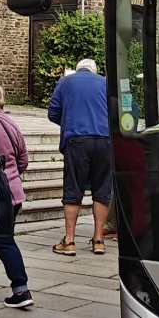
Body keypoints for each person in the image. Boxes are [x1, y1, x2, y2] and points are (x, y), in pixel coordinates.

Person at [48, 58, 112, 256]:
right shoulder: (105, 83)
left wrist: (70, 121)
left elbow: (53, 112)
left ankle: (69, 241)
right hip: (104, 141)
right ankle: (99, 239)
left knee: (73, 188)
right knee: (102, 190)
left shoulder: (65, 82)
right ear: (94, 70)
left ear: (77, 69)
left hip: (77, 140)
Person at [0, 83, 33, 309]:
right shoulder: (11, 123)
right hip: (14, 191)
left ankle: (21, 288)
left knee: (2, 241)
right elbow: (23, 159)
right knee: (3, 238)